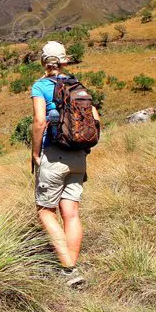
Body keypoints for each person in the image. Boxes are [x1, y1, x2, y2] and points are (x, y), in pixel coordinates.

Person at [30, 41, 100, 287]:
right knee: (70, 213)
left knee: (45, 211)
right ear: (64, 61)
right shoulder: (77, 85)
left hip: (54, 154)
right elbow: (96, 118)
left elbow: (39, 122)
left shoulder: (41, 86)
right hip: (79, 156)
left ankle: (69, 268)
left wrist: (36, 153)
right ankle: (71, 269)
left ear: (43, 61)